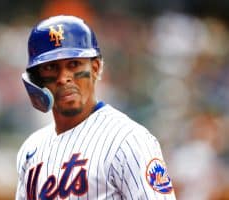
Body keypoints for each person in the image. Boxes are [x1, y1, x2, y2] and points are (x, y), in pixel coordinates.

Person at [15, 15, 176, 200]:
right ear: (35, 79)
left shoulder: (129, 141)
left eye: (73, 64)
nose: (63, 77)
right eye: (51, 67)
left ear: (95, 68)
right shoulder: (31, 149)